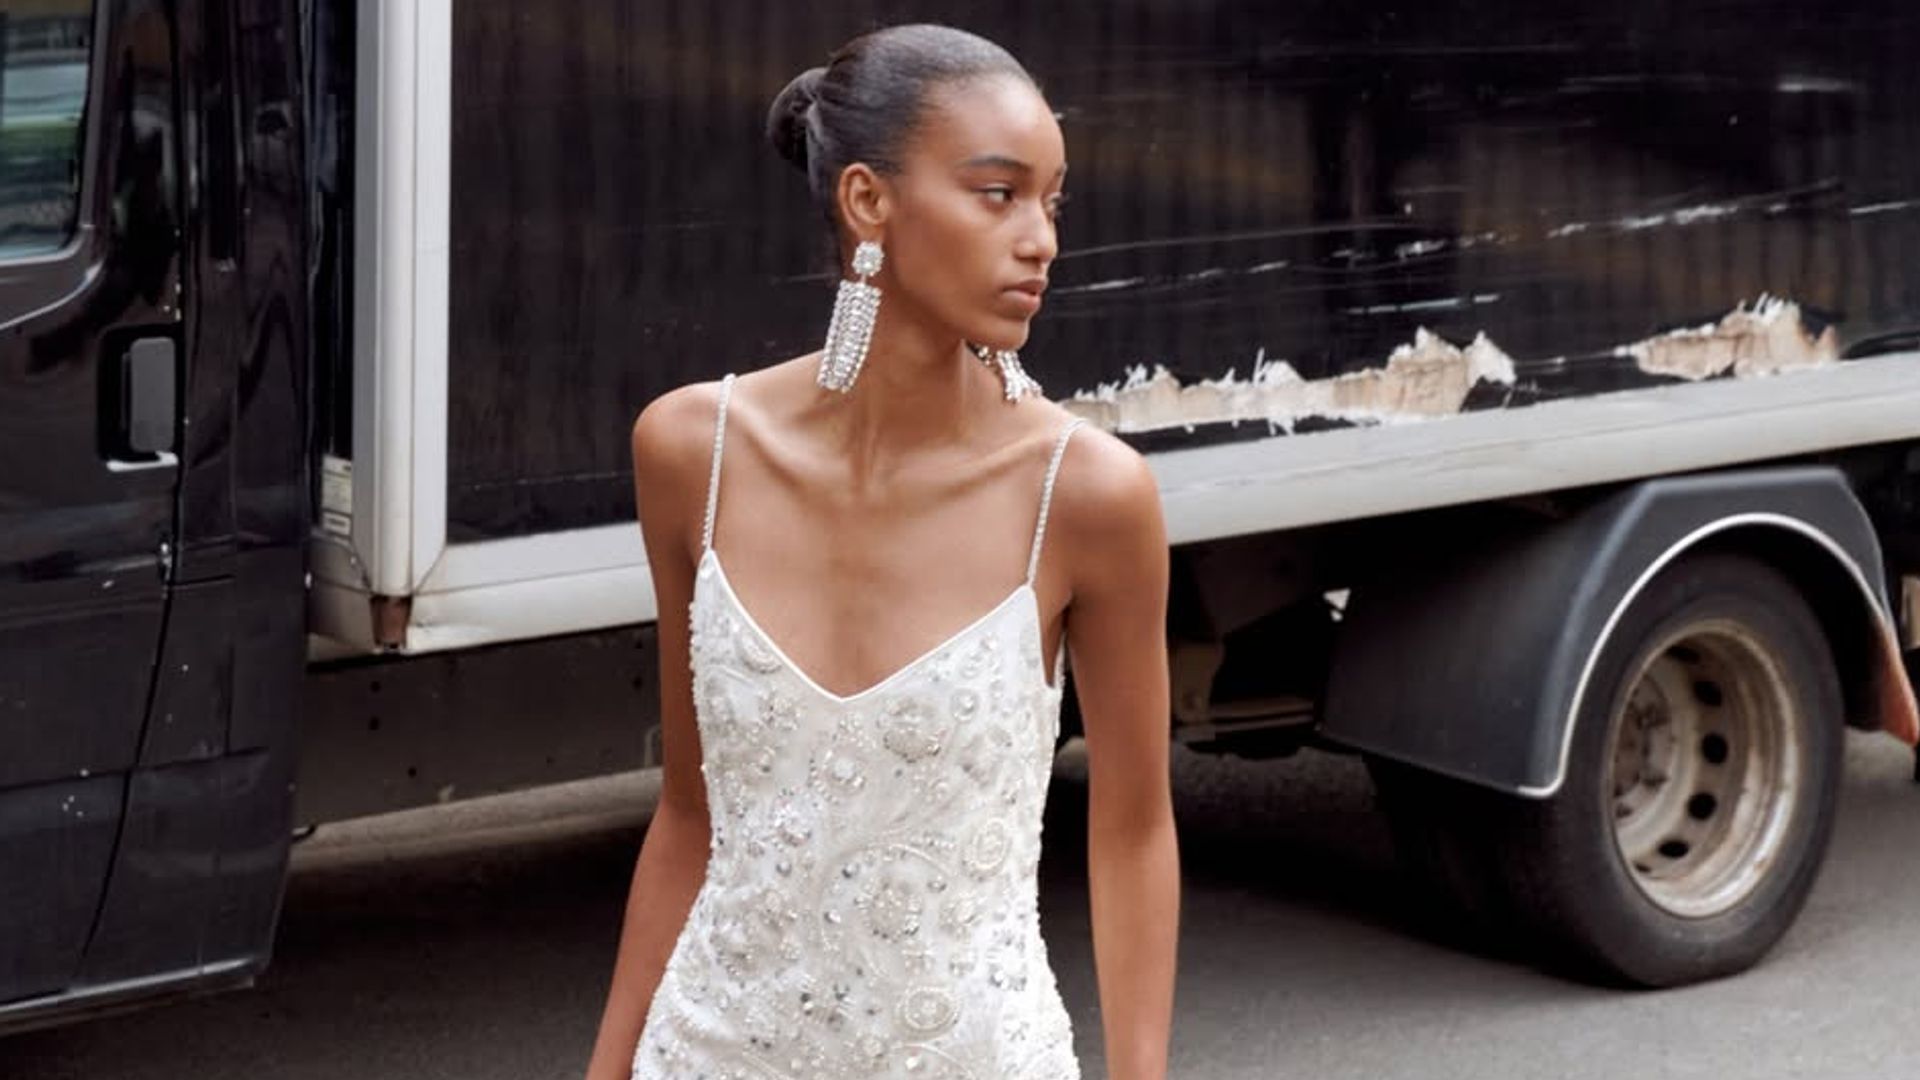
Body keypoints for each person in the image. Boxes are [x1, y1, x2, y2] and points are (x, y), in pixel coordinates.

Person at [584, 24, 1179, 1080]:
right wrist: (609, 1067)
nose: (1040, 238)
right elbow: (690, 811)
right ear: (869, 202)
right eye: (999, 194)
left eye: (1052, 201)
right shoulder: (691, 453)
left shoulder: (1086, 497)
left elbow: (1133, 836)